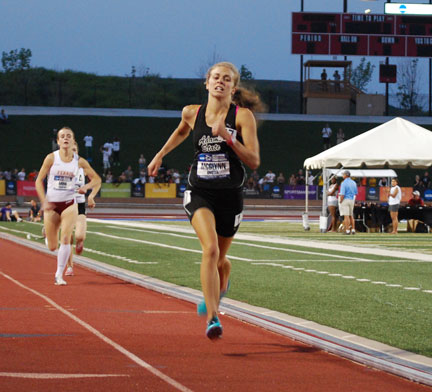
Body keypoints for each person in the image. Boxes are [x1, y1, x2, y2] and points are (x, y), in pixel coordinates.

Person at [147, 61, 262, 340]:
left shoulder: (242, 117)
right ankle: (213, 317)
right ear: (207, 83)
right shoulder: (191, 113)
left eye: (226, 79)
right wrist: (160, 154)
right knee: (209, 250)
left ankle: (224, 273)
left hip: (230, 194)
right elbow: (182, 131)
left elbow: (255, 161)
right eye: (215, 77)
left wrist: (228, 138)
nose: (220, 81)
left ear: (233, 88)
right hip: (199, 191)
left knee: (220, 258)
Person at [36, 127, 101, 286]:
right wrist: (44, 201)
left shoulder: (79, 161)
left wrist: (86, 189)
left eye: (69, 136)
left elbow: (97, 180)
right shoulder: (51, 158)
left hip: (69, 205)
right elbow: (38, 181)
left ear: (73, 141)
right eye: (62, 136)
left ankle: (59, 275)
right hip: (52, 205)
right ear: (58, 141)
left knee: (65, 238)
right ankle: (47, 234)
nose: (66, 138)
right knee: (52, 247)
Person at [66, 142, 100, 276]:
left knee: (79, 236)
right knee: (67, 238)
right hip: (66, 204)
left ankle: (80, 242)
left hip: (79, 205)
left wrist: (91, 196)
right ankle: (69, 267)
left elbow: (97, 181)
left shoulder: (83, 167)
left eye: (75, 150)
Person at [338, 170, 358, 235]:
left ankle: (347, 230)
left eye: (343, 174)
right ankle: (353, 229)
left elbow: (342, 194)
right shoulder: (354, 182)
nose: (342, 175)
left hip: (345, 199)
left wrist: (340, 201)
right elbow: (355, 193)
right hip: (352, 199)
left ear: (346, 175)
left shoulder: (343, 183)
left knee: (346, 216)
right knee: (351, 215)